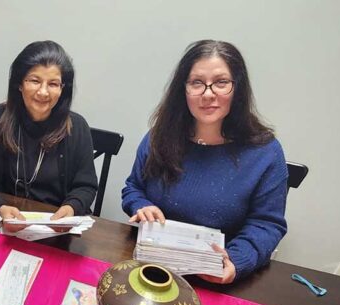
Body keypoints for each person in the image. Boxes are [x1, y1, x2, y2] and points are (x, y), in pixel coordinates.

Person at [121, 40, 288, 284]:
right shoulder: (160, 135)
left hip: (215, 274)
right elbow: (133, 187)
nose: (208, 94)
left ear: (237, 89)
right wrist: (140, 205)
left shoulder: (266, 152)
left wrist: (236, 261)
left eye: (221, 82)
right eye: (197, 83)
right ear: (184, 89)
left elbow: (267, 224)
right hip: (152, 266)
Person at [0, 40, 97, 230]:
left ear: (62, 89)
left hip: (55, 228)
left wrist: (71, 207)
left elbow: (86, 186)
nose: (43, 92)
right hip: (6, 220)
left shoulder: (77, 127)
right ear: (19, 84)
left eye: (53, 84)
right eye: (34, 81)